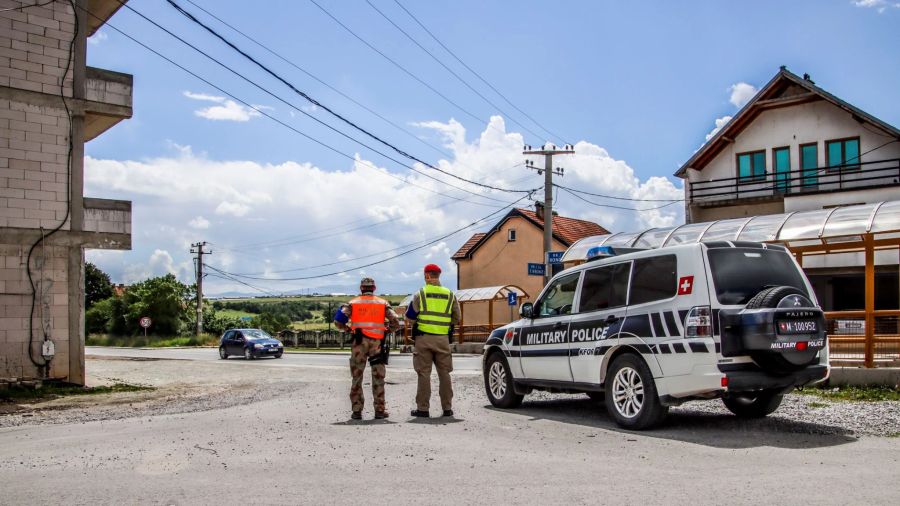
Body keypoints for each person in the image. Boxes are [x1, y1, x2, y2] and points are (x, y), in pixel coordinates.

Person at [334, 277, 400, 420]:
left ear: (361, 289)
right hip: (377, 344)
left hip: (359, 343)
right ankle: (380, 410)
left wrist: (347, 329)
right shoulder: (382, 303)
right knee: (378, 377)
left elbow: (338, 321)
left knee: (357, 377)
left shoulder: (352, 303)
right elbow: (396, 321)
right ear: (374, 288)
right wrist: (387, 330)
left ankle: (357, 411)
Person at [405, 264, 461, 418]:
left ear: (427, 276)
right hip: (443, 339)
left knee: (424, 374)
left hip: (423, 339)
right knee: (444, 373)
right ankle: (447, 408)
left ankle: (423, 409)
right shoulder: (450, 295)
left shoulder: (420, 294)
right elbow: (457, 318)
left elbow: (409, 317)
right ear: (438, 275)